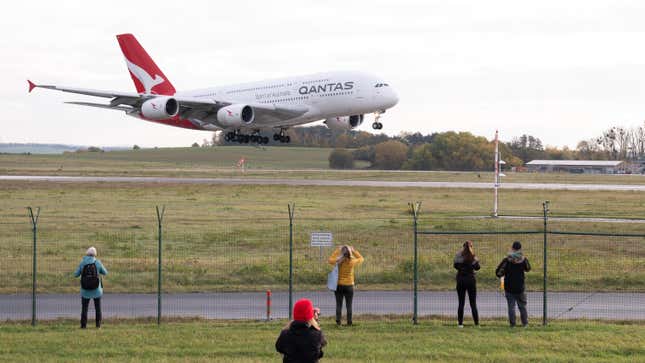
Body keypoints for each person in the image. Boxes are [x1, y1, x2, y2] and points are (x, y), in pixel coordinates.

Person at [276, 298, 327, 363]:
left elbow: (279, 347)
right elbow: (322, 346)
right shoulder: (317, 335)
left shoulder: (285, 334)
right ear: (310, 316)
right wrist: (314, 321)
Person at [495, 241, 531, 327]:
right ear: (520, 249)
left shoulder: (507, 260)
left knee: (511, 307)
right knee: (522, 306)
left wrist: (503, 274)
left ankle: (513, 324)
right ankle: (525, 324)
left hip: (509, 287)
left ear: (512, 248)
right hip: (520, 287)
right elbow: (528, 268)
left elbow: (498, 273)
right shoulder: (523, 259)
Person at [328, 245, 364, 326]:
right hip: (349, 286)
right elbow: (361, 258)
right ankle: (349, 322)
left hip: (338, 285)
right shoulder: (352, 261)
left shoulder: (338, 262)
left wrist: (337, 250)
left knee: (339, 304)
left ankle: (338, 322)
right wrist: (354, 250)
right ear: (350, 254)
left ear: (342, 253)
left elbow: (330, 260)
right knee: (349, 305)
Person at [73, 246, 108, 329]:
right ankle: (98, 325)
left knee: (84, 308)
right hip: (97, 290)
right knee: (98, 308)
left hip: (85, 290)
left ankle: (83, 325)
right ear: (95, 254)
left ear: (87, 253)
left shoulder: (82, 263)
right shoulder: (98, 262)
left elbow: (75, 274)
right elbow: (105, 272)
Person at [453, 240, 480, 327]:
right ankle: (476, 323)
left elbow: (455, 266)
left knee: (461, 303)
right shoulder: (473, 256)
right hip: (471, 280)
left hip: (461, 280)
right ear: (471, 247)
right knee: (473, 303)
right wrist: (475, 259)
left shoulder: (458, 255)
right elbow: (477, 268)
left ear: (463, 247)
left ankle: (460, 324)